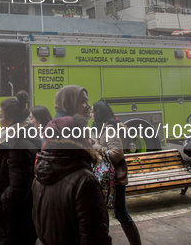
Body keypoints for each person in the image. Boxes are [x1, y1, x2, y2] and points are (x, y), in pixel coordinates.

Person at [32, 115, 112, 245]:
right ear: (75, 141)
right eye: (87, 137)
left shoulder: (40, 175)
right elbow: (95, 238)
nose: (92, 141)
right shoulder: (85, 181)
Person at [0, 91, 38, 245]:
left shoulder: (17, 145)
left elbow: (18, 190)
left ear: (10, 120)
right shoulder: (15, 139)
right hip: (9, 225)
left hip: (9, 227)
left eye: (0, 116)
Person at [91, 101, 141, 245]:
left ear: (99, 113)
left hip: (115, 179)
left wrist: (98, 146)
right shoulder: (106, 128)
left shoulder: (110, 130)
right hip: (112, 178)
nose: (91, 115)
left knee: (121, 214)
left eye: (93, 112)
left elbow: (117, 153)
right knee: (117, 213)